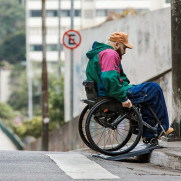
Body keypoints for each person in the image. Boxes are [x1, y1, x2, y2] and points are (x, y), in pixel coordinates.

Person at [85, 31, 174, 142]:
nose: (125, 52)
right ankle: (161, 128)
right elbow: (109, 78)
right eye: (124, 48)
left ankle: (148, 134)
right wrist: (122, 98)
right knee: (154, 88)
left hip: (104, 93)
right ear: (117, 44)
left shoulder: (98, 54)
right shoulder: (110, 54)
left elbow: (113, 77)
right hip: (113, 94)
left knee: (145, 93)